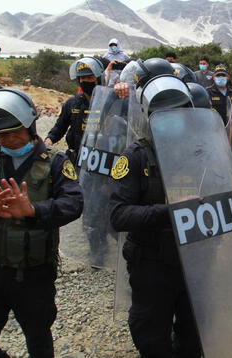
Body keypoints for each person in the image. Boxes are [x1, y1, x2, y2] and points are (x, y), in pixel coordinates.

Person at [0, 89, 83, 357]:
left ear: (30, 127)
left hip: (33, 273)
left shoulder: (55, 162)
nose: (9, 139)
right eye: (1, 135)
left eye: (15, 132)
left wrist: (34, 210)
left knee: (38, 339)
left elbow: (74, 203)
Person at [109, 61, 203, 357]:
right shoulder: (135, 157)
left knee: (195, 336)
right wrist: (169, 211)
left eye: (178, 112)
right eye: (163, 114)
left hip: (197, 263)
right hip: (152, 263)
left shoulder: (202, 152)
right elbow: (118, 215)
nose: (172, 119)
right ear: (149, 117)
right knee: (151, 338)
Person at [45, 57, 104, 163]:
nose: (85, 81)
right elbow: (59, 128)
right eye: (82, 78)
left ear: (99, 78)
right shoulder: (72, 103)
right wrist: (47, 141)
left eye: (90, 77)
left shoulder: (108, 102)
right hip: (76, 158)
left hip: (101, 160)